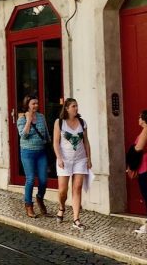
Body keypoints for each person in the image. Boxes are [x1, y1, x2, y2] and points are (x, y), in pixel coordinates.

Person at [53, 98, 91, 230]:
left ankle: (76, 219)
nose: (76, 108)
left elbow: (86, 142)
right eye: (73, 106)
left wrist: (89, 158)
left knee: (78, 187)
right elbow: (56, 142)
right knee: (63, 190)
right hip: (65, 160)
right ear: (67, 108)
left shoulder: (82, 122)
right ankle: (62, 206)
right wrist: (59, 158)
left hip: (80, 160)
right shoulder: (59, 123)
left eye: (77, 106)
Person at [17, 95, 50, 218]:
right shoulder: (21, 119)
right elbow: (23, 136)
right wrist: (29, 120)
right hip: (27, 153)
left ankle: (40, 198)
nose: (36, 105)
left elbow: (46, 133)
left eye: (37, 103)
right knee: (30, 179)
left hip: (41, 152)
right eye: (33, 104)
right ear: (27, 105)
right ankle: (28, 205)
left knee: (43, 179)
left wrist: (50, 143)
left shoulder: (41, 117)